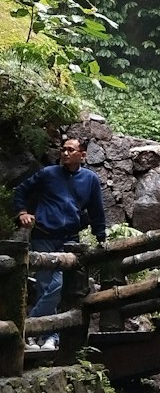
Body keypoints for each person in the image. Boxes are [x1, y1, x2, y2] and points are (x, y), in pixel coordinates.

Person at [13, 136, 107, 350]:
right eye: (63, 149)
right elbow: (21, 191)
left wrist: (101, 236)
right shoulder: (48, 174)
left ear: (82, 155)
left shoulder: (90, 179)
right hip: (44, 235)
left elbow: (96, 210)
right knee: (48, 286)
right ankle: (49, 338)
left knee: (61, 287)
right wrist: (22, 212)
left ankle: (29, 329)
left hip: (70, 240)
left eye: (70, 150)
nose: (65, 153)